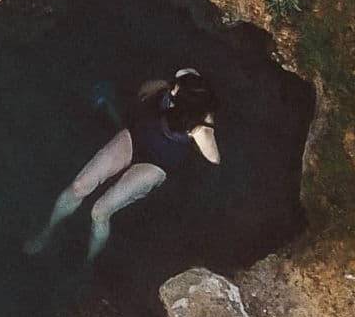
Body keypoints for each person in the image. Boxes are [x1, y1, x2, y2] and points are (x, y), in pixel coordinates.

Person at [25, 69, 219, 260]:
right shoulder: (167, 89)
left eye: (176, 87)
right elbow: (144, 91)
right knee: (79, 186)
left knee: (99, 212)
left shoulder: (199, 128)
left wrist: (205, 124)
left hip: (157, 163)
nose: (173, 87)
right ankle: (47, 232)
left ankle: (89, 261)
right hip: (134, 137)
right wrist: (164, 89)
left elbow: (214, 159)